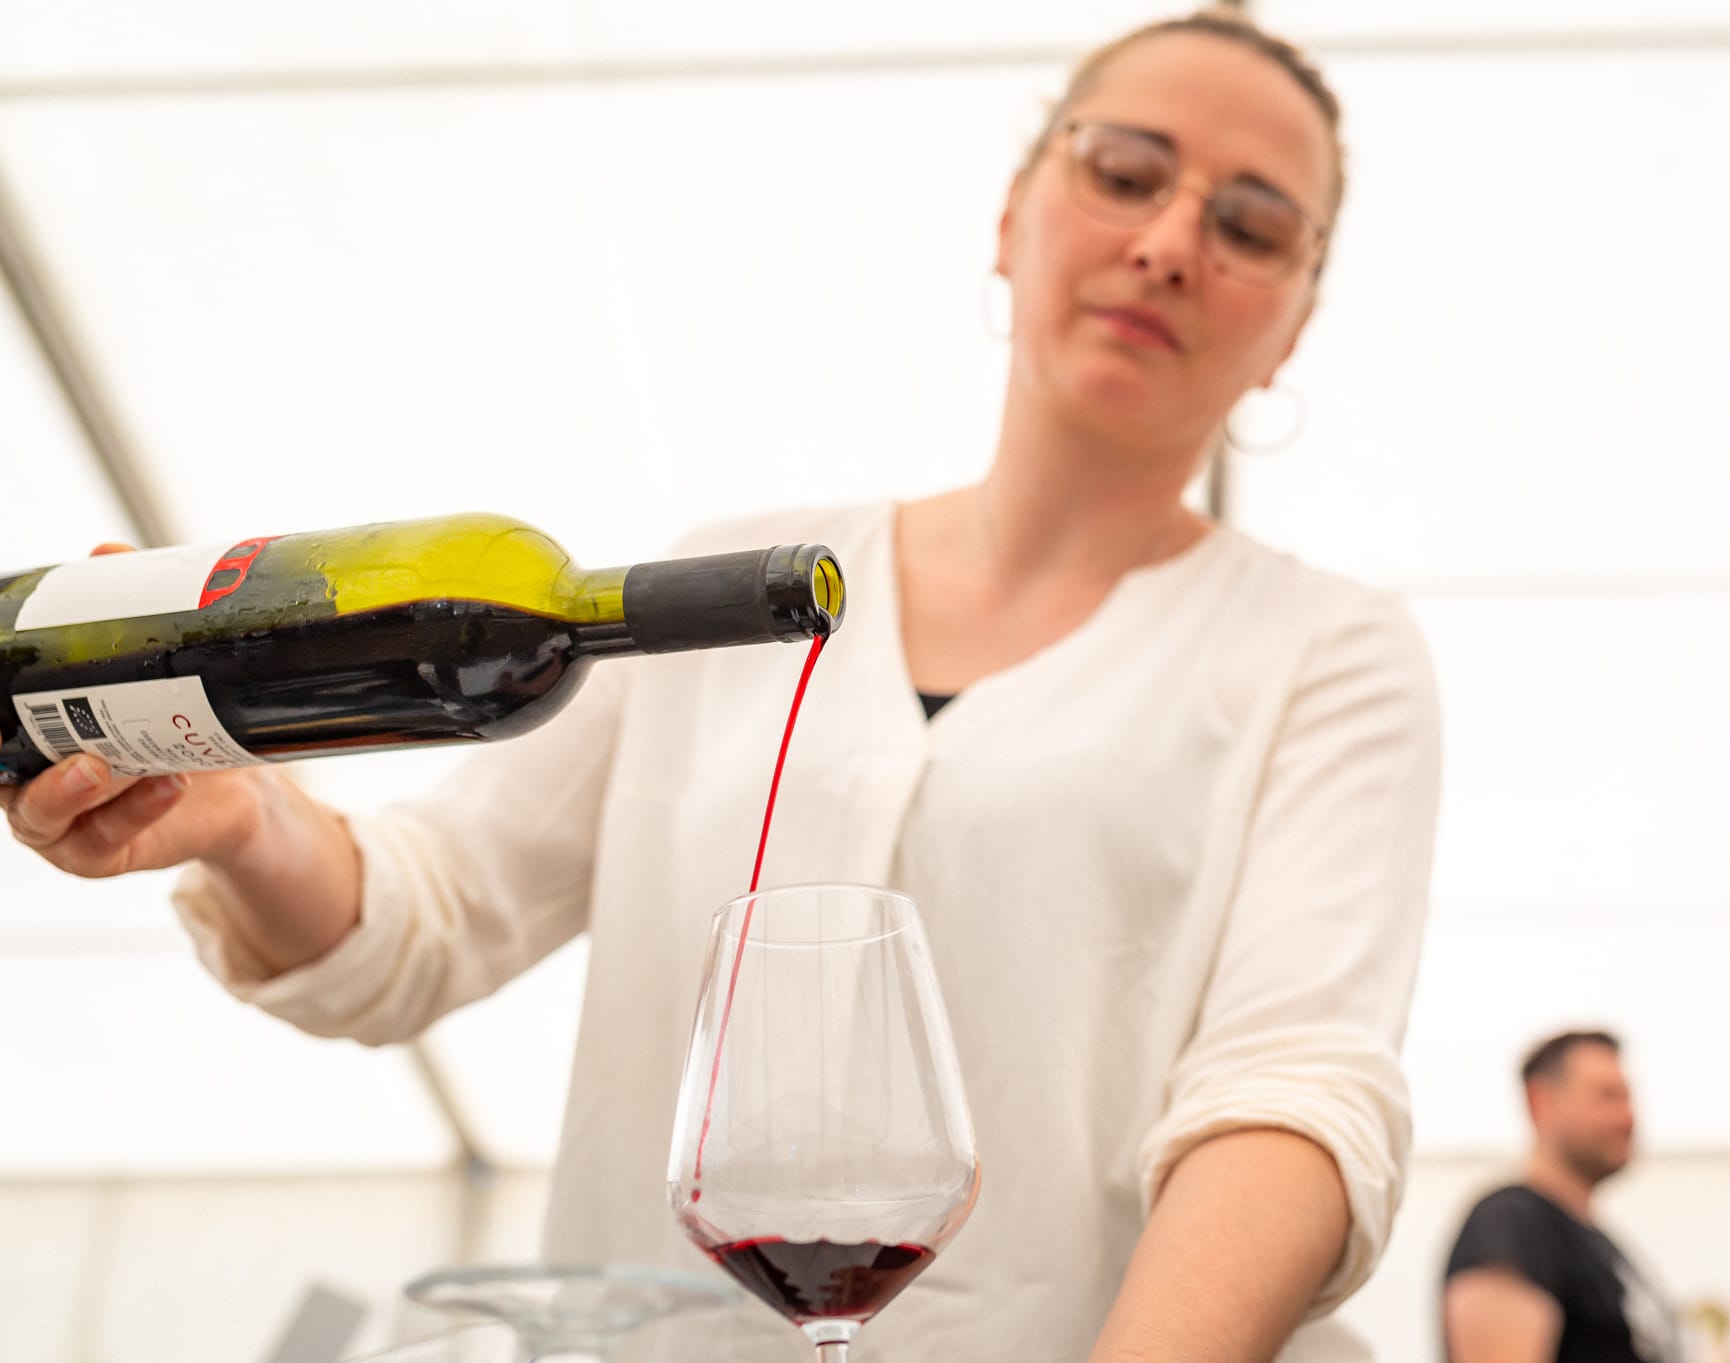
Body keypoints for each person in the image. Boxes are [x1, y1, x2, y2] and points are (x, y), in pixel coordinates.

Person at [2, 12, 1441, 1361]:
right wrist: (247, 818)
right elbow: (425, 921)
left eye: (1251, 225)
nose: (1172, 242)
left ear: (1296, 324)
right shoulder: (716, 592)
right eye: (1125, 171)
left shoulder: (1322, 653)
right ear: (1012, 215)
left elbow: (1292, 1088)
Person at [1442, 1031, 1682, 1363]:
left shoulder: (1597, 1242)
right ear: (1540, 1101)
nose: (1627, 1117)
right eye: (1607, 1097)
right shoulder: (1512, 1223)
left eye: (1628, 1098)